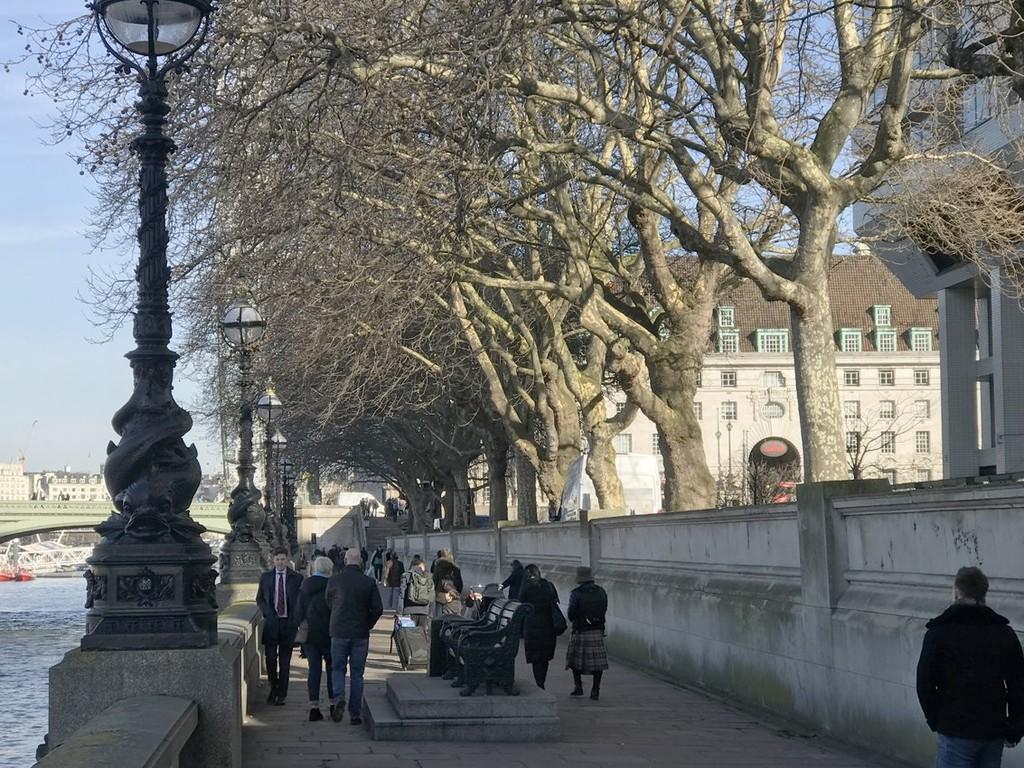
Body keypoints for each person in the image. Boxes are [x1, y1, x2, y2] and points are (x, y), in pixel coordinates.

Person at [917, 566, 1024, 767]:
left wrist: (936, 720)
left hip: (955, 729)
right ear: (984, 594)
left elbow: (924, 683)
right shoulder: (1004, 634)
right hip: (993, 729)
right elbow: (1019, 684)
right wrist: (1015, 728)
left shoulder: (939, 633)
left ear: (956, 592)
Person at [326, 548, 384, 725]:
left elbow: (328, 602)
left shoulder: (335, 580)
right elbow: (378, 609)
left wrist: (337, 617)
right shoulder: (368, 582)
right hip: (360, 633)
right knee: (357, 674)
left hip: (339, 631)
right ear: (360, 562)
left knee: (337, 669)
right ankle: (355, 713)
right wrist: (368, 624)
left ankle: (338, 697)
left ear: (345, 560)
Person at [255, 546, 303, 705]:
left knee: (284, 661)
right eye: (277, 560)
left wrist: (295, 620)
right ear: (273, 561)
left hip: (288, 624)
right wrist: (267, 613)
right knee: (270, 659)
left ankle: (282, 693)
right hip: (272, 623)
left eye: (283, 559)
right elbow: (260, 599)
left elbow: (300, 602)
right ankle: (273, 687)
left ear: (287, 559)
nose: (280, 562)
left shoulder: (296, 578)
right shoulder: (266, 577)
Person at [295, 556, 338, 721]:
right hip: (330, 633)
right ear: (330, 569)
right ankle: (333, 703)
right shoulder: (334, 586)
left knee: (314, 670)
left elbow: (298, 612)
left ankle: (314, 707)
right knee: (332, 669)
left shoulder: (305, 587)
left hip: (311, 635)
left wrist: (295, 631)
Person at [566, 566, 609, 701]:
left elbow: (571, 614)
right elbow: (604, 609)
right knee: (598, 662)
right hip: (597, 629)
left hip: (580, 630)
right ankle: (595, 689)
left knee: (575, 660)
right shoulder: (601, 591)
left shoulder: (576, 593)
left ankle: (578, 686)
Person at [518, 563, 560, 690]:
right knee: (545, 656)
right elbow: (555, 600)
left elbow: (521, 601)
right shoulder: (548, 585)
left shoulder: (526, 588)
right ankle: (542, 679)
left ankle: (539, 682)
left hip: (532, 626)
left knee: (536, 657)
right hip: (548, 625)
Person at [400, 559, 433, 626]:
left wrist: (399, 612)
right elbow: (432, 597)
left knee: (409, 634)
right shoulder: (429, 577)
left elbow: (401, 595)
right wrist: (430, 614)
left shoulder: (406, 575)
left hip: (408, 611)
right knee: (421, 635)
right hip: (424, 612)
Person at [432, 549, 464, 616]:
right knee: (456, 621)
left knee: (441, 621)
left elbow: (434, 582)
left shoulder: (438, 566)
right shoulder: (456, 567)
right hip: (455, 599)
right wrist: (455, 593)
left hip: (442, 599)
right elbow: (460, 584)